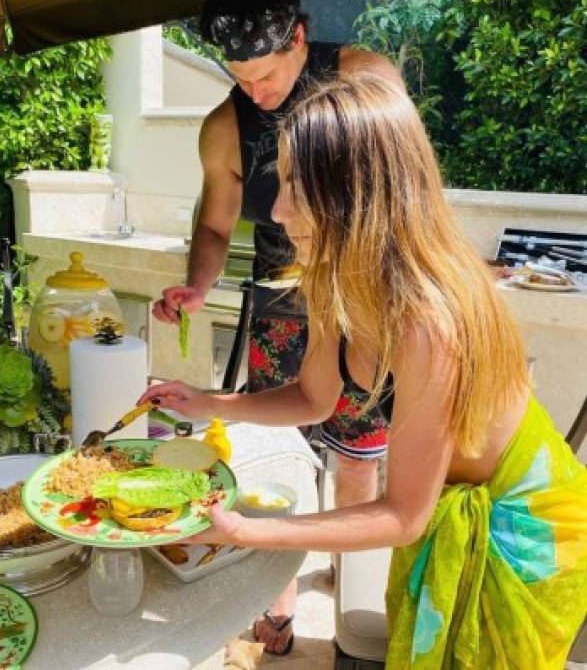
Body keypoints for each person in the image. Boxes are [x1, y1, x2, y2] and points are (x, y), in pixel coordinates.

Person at [141, 74, 587, 667]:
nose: (276, 211)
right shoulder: (335, 276)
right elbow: (314, 398)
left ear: (359, 193)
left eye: (298, 187)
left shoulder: (428, 321)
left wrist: (244, 532)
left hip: (523, 534)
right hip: (443, 503)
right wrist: (210, 402)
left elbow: (403, 516)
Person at [153, 0, 404, 653]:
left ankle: (354, 609)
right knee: (278, 461)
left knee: (356, 462)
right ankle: (278, 612)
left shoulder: (363, 80)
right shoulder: (223, 127)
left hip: (366, 306)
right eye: (239, 80)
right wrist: (197, 286)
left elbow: (401, 191)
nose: (256, 94)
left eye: (265, 75)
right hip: (285, 309)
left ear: (299, 37)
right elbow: (215, 222)